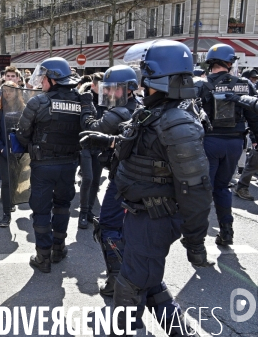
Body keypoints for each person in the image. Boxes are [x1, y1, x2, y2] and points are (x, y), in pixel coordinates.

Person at [82, 40, 214, 335]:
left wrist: (195, 243)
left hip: (154, 219)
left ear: (161, 80)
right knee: (150, 281)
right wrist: (107, 142)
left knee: (129, 289)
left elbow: (196, 190)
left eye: (147, 79)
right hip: (140, 215)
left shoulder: (177, 122)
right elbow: (143, 152)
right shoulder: (155, 114)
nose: (143, 86)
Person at [15, 57, 90, 273]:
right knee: (62, 206)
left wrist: (32, 146)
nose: (42, 82)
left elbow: (22, 132)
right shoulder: (80, 102)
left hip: (44, 164)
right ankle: (59, 249)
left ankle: (43, 257)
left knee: (41, 209)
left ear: (52, 79)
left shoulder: (38, 102)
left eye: (44, 78)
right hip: (69, 164)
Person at [81, 65, 140, 296]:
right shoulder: (140, 107)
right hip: (135, 178)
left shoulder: (120, 112)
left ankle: (117, 280)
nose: (110, 94)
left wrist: (86, 104)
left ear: (128, 89)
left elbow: (90, 129)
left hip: (122, 179)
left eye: (115, 89)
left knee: (108, 226)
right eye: (109, 89)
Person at [195, 43, 258, 246]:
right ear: (230, 63)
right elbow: (253, 115)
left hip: (210, 142)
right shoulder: (244, 84)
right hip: (235, 143)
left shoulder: (202, 85)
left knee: (204, 190)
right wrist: (256, 139)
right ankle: (227, 230)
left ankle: (197, 239)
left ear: (210, 63)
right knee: (223, 188)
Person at [0, 81, 24, 227]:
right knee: (6, 181)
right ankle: (6, 214)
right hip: (3, 152)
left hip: (19, 153)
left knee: (15, 179)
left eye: (11, 90)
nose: (7, 93)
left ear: (16, 92)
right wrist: (2, 149)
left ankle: (11, 201)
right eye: (5, 91)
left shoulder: (24, 110)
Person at [76, 72, 104, 230]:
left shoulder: (108, 99)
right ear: (93, 85)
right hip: (85, 144)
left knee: (95, 180)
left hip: (100, 145)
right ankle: (83, 212)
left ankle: (89, 211)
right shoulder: (85, 98)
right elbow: (83, 122)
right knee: (87, 178)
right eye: (101, 85)